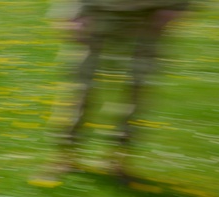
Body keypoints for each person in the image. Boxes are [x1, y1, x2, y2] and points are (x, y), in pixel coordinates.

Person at [46, 0, 192, 184]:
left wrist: (179, 7)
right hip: (96, 11)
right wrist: (70, 10)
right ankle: (66, 156)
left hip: (150, 14)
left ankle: (119, 159)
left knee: (138, 90)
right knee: (81, 88)